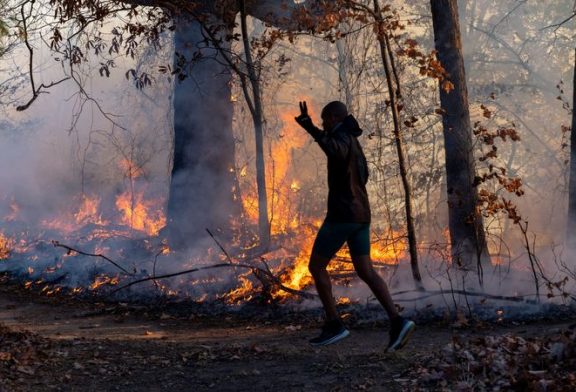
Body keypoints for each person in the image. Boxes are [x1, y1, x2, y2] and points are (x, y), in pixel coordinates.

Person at [294, 100, 415, 350]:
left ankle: (334, 324)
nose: (324, 124)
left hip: (343, 215)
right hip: (361, 216)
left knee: (316, 266)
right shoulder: (353, 140)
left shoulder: (343, 138)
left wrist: (311, 128)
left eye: (326, 119)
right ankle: (397, 321)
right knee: (365, 270)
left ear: (336, 118)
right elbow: (363, 175)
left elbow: (334, 150)